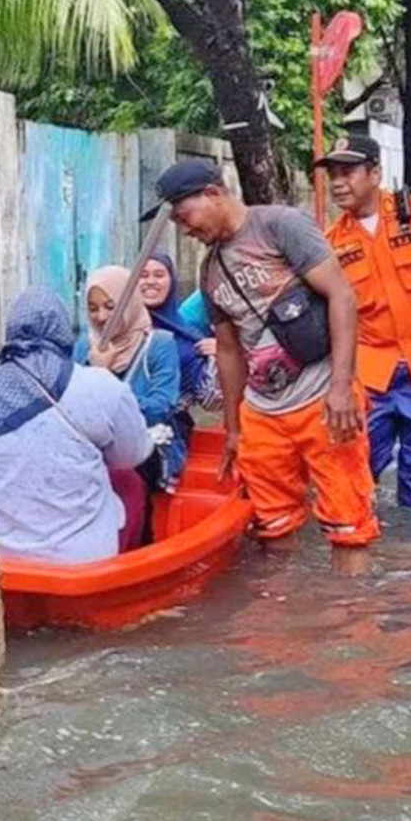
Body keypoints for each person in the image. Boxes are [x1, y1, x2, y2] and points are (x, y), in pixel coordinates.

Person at [142, 158, 380, 546]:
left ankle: (350, 605)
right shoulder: (210, 269)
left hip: (321, 398)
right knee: (272, 527)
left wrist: (341, 388)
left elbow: (342, 296)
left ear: (213, 194)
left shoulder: (280, 226)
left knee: (349, 526)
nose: (185, 231)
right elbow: (229, 350)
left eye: (185, 217)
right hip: (262, 413)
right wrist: (234, 430)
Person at [0, 288, 153, 562]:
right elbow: (132, 455)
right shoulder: (101, 385)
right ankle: (127, 571)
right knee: (129, 482)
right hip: (77, 557)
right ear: (63, 333)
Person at [316, 135, 411, 506]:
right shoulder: (328, 246)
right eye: (332, 174)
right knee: (355, 477)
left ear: (375, 173)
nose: (337, 182)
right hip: (369, 380)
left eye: (347, 172)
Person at [80, 265, 185, 492]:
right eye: (93, 309)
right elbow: (70, 401)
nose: (102, 317)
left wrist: (104, 378)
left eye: (111, 307)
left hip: (147, 440)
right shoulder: (85, 346)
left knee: (123, 473)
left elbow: (160, 407)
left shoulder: (159, 345)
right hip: (95, 439)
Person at [139, 252, 221, 413]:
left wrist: (222, 357)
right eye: (143, 275)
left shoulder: (187, 337)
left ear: (172, 282)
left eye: (159, 275)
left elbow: (211, 401)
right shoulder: (115, 332)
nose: (151, 282)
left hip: (169, 431)